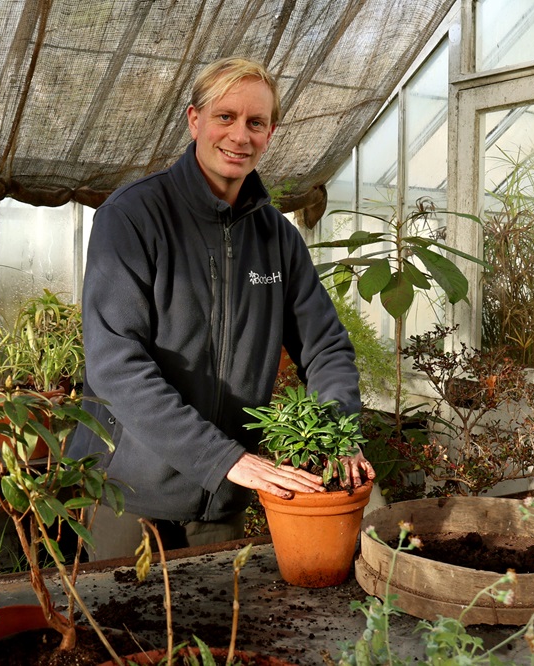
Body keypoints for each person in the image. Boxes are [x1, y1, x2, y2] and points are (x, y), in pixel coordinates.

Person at [69, 56, 374, 560]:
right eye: (225, 117)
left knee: (222, 632)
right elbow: (116, 366)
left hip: (222, 500)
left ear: (271, 132)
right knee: (124, 634)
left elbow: (326, 347)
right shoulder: (133, 217)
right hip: (126, 491)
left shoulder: (277, 237)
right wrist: (225, 458)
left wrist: (337, 433)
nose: (240, 135)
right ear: (195, 120)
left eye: (256, 122)